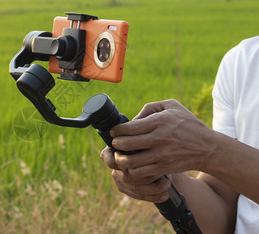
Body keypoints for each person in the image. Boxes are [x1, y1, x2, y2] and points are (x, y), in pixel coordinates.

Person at [100, 36, 259, 234]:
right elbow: (222, 210)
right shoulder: (242, 62)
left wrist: (209, 150)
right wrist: (163, 173)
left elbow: (216, 154)